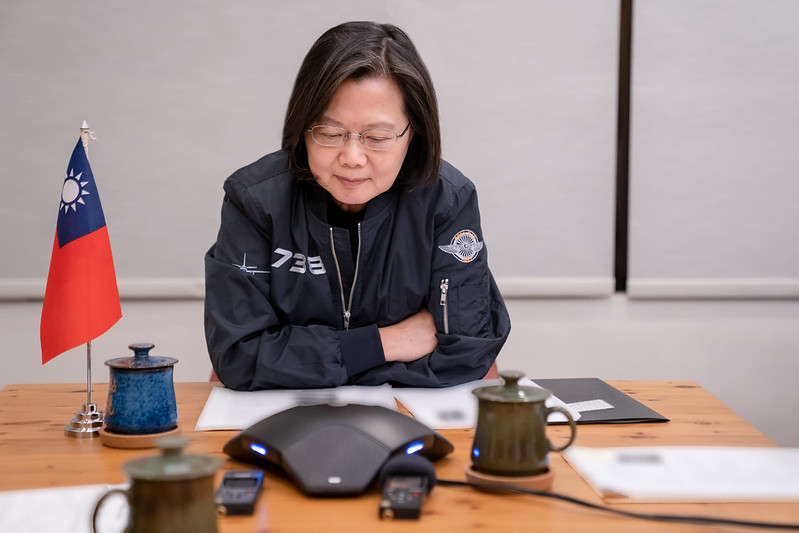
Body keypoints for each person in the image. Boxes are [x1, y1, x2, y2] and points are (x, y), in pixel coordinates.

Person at [204, 21, 510, 390]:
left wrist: (304, 363)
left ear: (413, 134)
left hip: (409, 416)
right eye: (330, 133)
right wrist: (385, 344)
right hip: (287, 415)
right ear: (302, 128)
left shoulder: (447, 201)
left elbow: (466, 353)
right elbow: (239, 358)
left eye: (376, 137)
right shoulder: (255, 200)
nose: (352, 157)